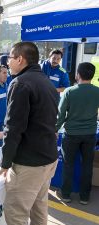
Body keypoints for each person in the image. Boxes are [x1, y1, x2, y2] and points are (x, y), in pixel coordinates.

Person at [0, 42, 59, 225]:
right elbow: (38, 121)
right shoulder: (46, 82)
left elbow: (14, 128)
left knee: (16, 214)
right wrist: (5, 135)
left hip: (30, 164)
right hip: (48, 159)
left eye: (10, 59)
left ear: (20, 59)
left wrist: (5, 164)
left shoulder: (20, 83)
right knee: (39, 208)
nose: (8, 64)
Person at [56, 62, 99, 205]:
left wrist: (55, 129)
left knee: (68, 164)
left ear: (78, 75)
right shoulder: (97, 91)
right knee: (87, 165)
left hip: (71, 134)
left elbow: (61, 115)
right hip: (90, 134)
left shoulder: (69, 91)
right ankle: (84, 197)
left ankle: (66, 195)